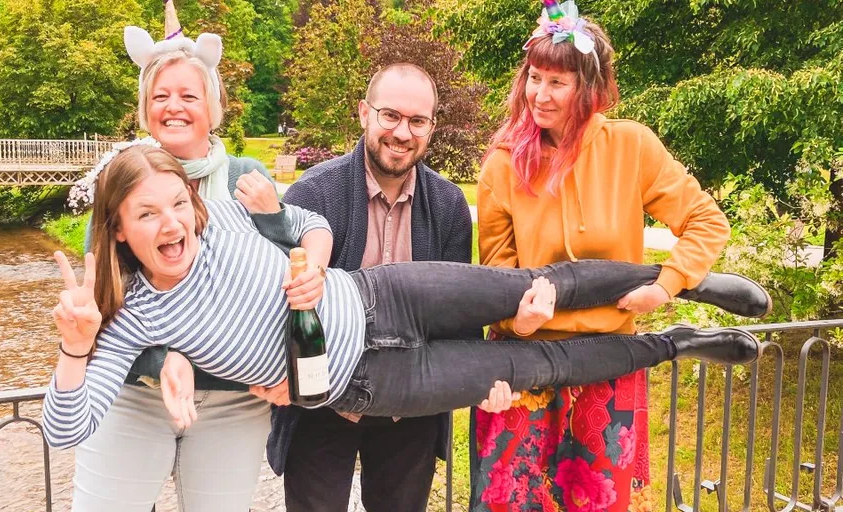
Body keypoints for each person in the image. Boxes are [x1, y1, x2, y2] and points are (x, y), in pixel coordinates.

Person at [42, 145, 767, 460]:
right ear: (118, 229)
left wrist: (313, 259)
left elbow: (310, 223)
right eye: (147, 214)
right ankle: (677, 343)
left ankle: (684, 280)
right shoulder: (132, 318)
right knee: (541, 365)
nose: (172, 223)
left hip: (385, 294)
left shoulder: (227, 215)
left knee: (536, 284)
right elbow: (64, 430)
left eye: (177, 203)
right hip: (370, 383)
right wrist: (76, 347)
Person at [471, 1, 764, 509]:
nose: (540, 94)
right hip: (523, 361)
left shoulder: (631, 146)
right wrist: (517, 320)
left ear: (588, 88)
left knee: (597, 502)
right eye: (534, 78)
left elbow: (706, 220)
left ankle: (684, 335)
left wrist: (665, 285)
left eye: (557, 83)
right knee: (509, 501)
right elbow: (496, 272)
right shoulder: (502, 164)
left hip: (608, 363)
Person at [65, 3, 316, 510]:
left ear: (212, 105)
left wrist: (294, 368)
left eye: (188, 95)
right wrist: (163, 359)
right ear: (145, 109)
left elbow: (287, 276)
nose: (173, 107)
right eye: (160, 96)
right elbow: (104, 305)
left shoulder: (246, 176)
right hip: (136, 394)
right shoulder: (118, 181)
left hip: (236, 401)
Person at [269, 63, 475, 512]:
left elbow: (459, 317)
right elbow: (277, 305)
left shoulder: (448, 207)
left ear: (432, 127)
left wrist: (480, 377)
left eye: (417, 121)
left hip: (410, 406)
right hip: (323, 401)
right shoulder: (313, 194)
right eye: (390, 115)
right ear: (364, 113)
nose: (402, 132)